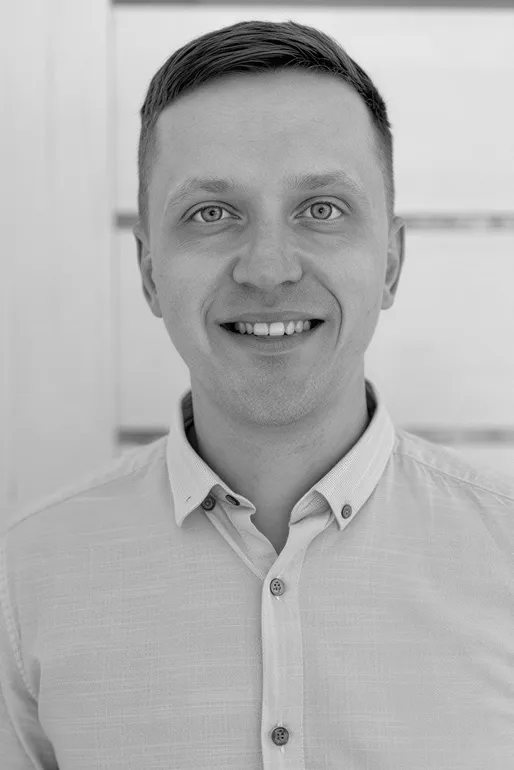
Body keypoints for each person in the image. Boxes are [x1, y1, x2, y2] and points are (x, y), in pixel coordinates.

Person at [1, 19, 513, 770]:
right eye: (212, 213)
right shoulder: (25, 582)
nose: (267, 269)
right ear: (148, 272)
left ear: (392, 264)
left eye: (322, 209)